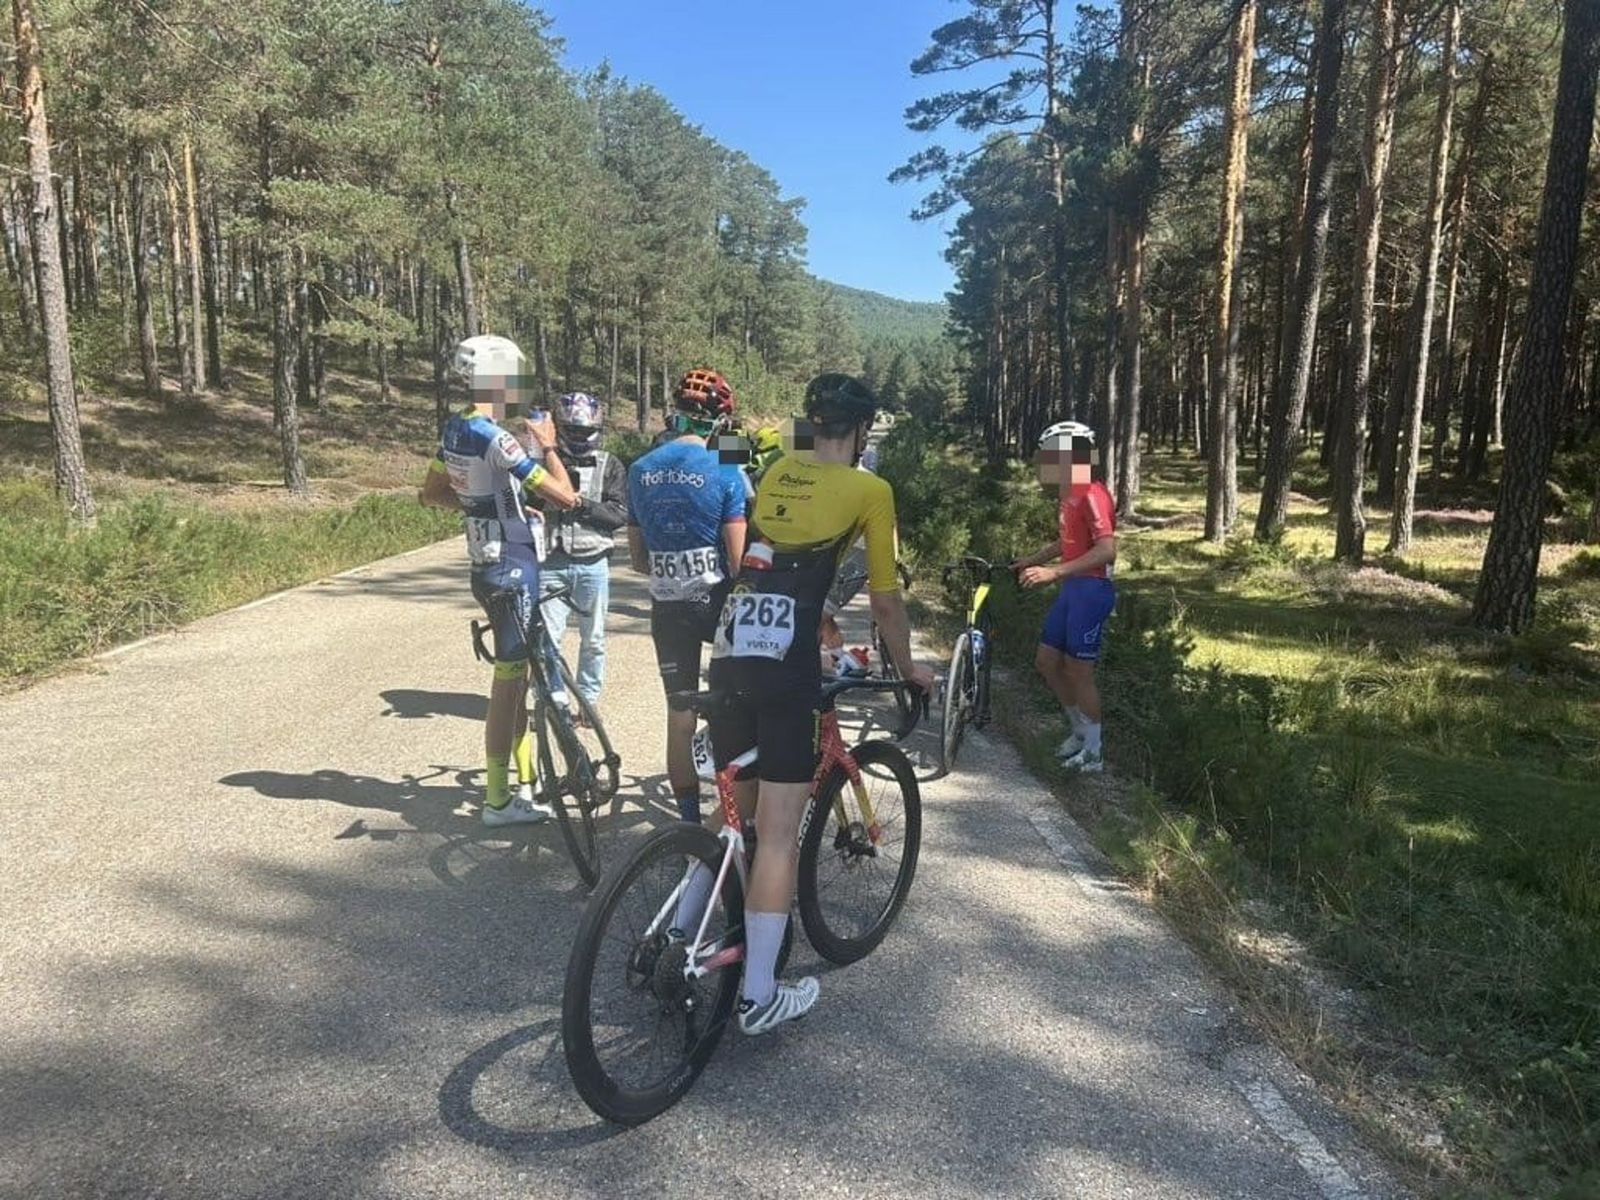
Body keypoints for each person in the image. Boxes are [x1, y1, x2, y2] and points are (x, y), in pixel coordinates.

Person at [700, 372, 935, 1036]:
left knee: (732, 817)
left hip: (731, 646)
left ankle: (682, 933)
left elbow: (762, 558)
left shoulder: (779, 469)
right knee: (777, 835)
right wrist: (909, 667)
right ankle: (758, 995)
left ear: (812, 423)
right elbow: (884, 600)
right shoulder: (870, 490)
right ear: (861, 431)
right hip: (786, 665)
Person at [419, 335, 580, 825]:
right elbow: (566, 496)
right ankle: (497, 800)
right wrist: (549, 445)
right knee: (508, 688)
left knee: (520, 679)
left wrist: (492, 509)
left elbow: (431, 493)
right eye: (516, 380)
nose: (522, 389)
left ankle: (526, 783)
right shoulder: (496, 437)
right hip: (513, 567)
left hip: (486, 564)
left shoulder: (455, 428)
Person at [625, 368, 748, 824]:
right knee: (733, 712)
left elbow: (638, 560)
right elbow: (738, 561)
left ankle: (689, 824)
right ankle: (733, 818)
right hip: (718, 607)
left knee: (680, 718)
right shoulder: (727, 467)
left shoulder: (640, 469)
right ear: (720, 421)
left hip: (668, 610)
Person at [1012, 420, 1117, 773]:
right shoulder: (1070, 493)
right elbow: (1067, 540)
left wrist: (1053, 572)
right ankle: (1079, 732)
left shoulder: (1092, 493)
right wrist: (1033, 560)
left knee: (1078, 671)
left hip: (1091, 590)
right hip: (1072, 589)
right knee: (1046, 662)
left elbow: (1106, 551)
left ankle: (1095, 751)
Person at [528, 392, 628, 717]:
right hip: (551, 561)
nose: (580, 437)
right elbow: (525, 502)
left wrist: (581, 504)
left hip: (593, 561)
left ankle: (588, 699)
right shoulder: (541, 463)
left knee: (594, 638)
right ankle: (552, 699)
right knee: (547, 639)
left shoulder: (610, 464)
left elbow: (618, 514)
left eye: (585, 431)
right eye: (572, 430)